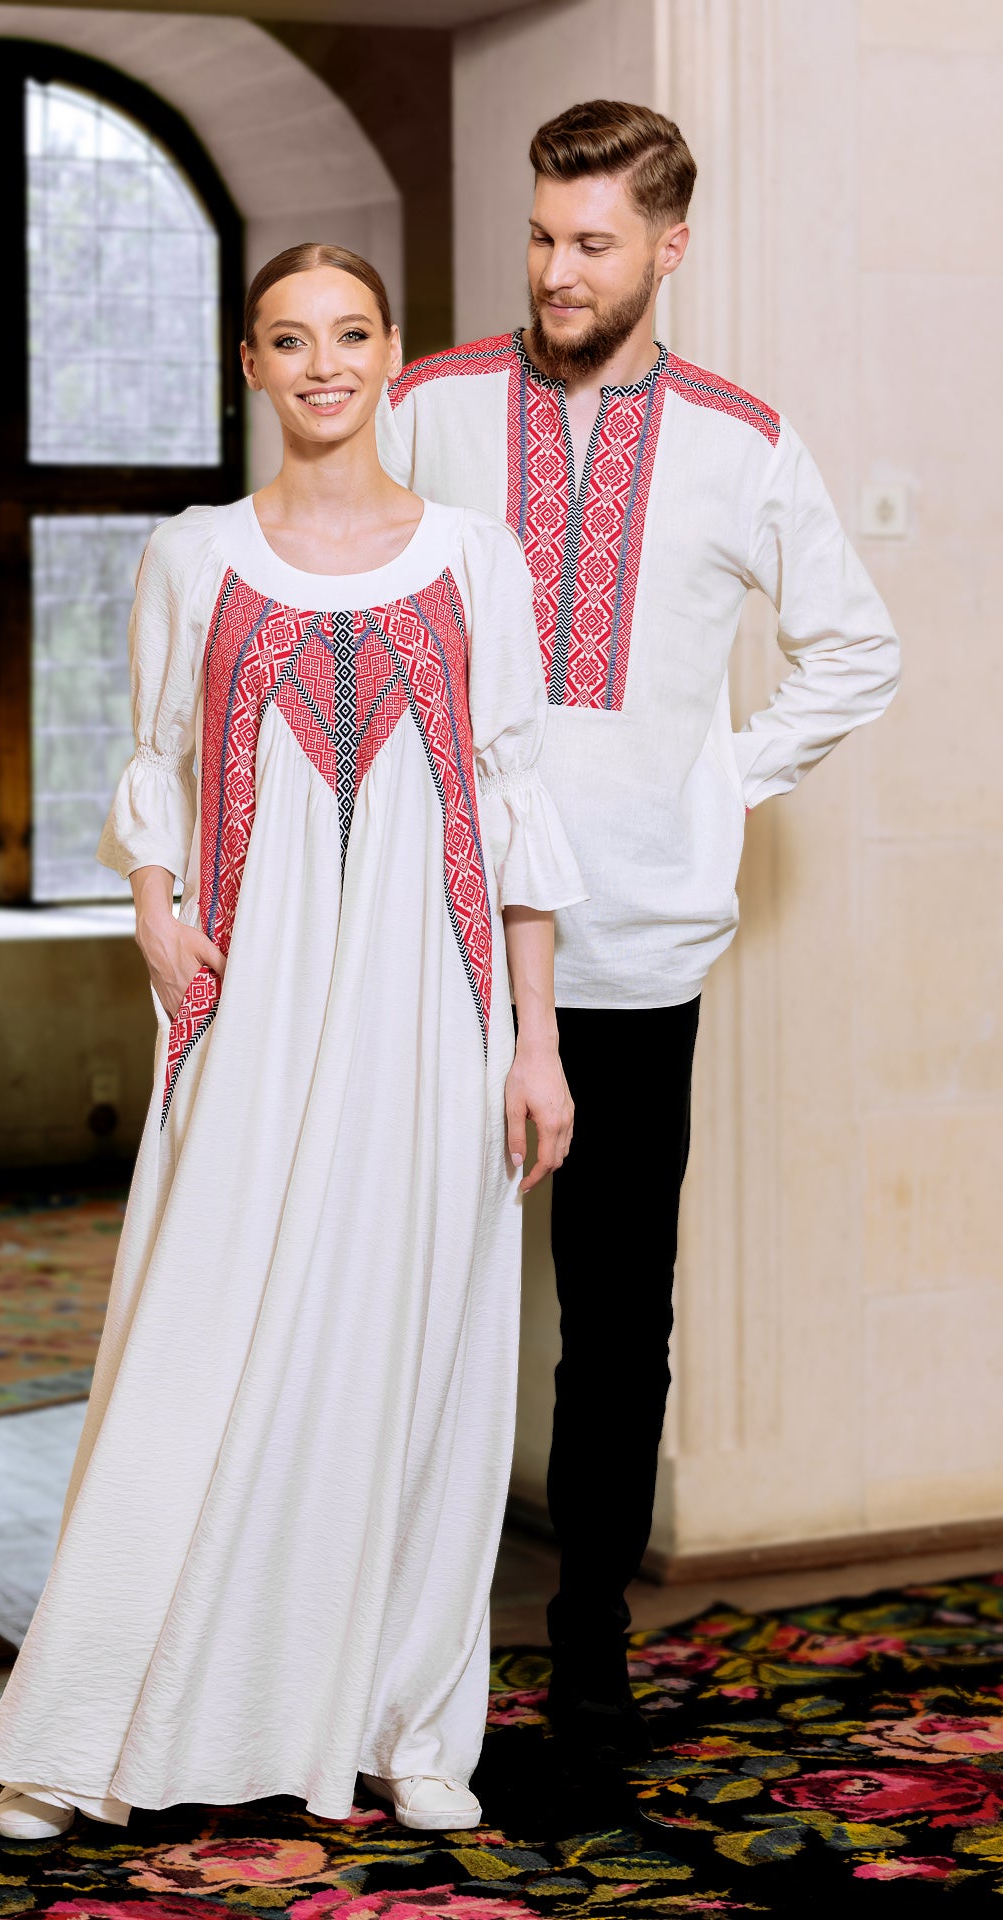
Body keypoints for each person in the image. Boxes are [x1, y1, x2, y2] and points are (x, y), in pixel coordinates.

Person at [0, 243, 585, 1837]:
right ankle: (85, 1736)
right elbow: (157, 767)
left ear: (390, 353)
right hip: (244, 1009)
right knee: (192, 1346)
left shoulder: (474, 559)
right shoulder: (192, 554)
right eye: (290, 339)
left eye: (351, 334)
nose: (324, 364)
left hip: (434, 1018)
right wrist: (153, 912)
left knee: (416, 1358)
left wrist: (534, 1043)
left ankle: (409, 1726)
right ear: (248, 362)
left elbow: (514, 813)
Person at [377, 100, 900, 1764]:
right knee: (395, 1300)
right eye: (541, 235)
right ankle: (371, 1649)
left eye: (591, 243)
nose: (555, 270)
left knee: (613, 1322)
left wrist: (710, 782)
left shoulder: (744, 440)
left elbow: (854, 647)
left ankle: (587, 1649)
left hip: (632, 951)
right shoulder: (427, 407)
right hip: (434, 940)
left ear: (668, 248)